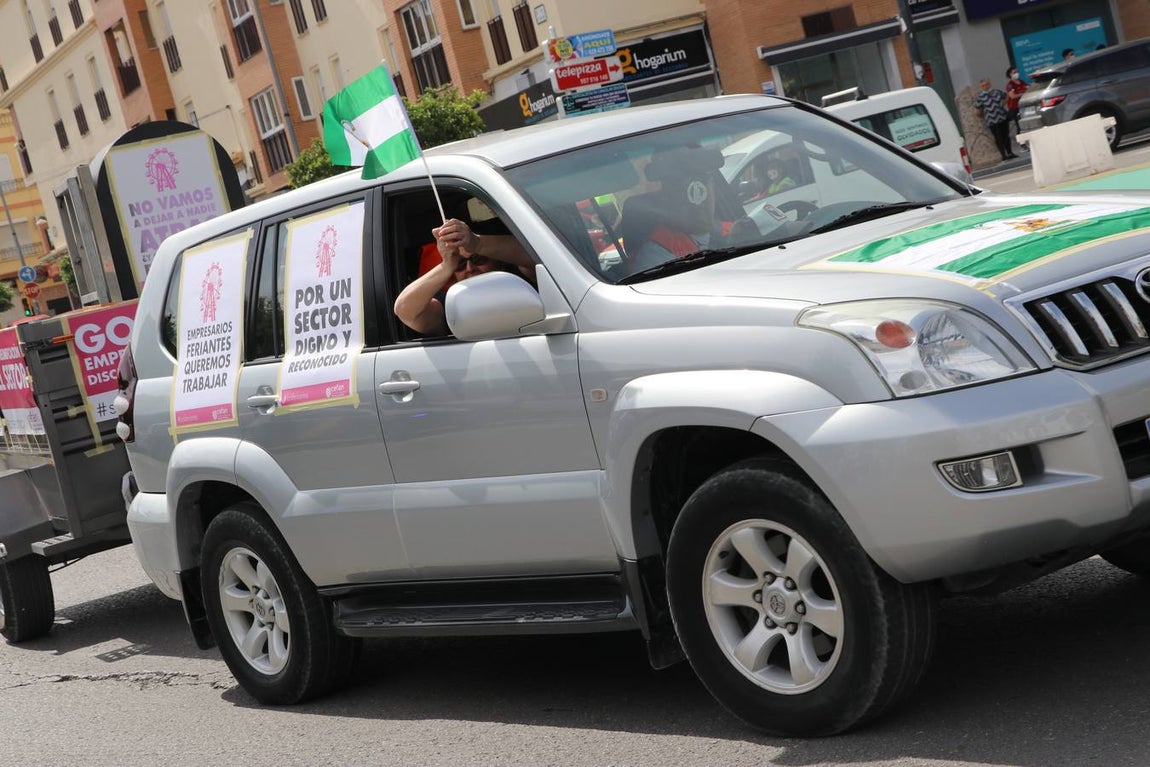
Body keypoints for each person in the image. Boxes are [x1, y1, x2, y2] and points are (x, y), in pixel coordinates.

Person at [628, 144, 758, 271]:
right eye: (683, 187)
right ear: (667, 197)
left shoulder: (735, 230)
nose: (698, 199)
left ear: (712, 188)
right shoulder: (656, 254)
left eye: (703, 184)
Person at [393, 218, 532, 336]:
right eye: (460, 264)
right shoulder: (453, 304)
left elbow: (535, 255)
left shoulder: (522, 278)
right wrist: (447, 264)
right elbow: (404, 310)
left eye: (478, 259)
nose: (470, 269)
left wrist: (477, 243)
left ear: (498, 260)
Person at [973, 78, 1015, 162]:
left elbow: (1006, 96)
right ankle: (1003, 155)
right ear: (981, 87)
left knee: (1006, 135)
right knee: (998, 138)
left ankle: (1010, 152)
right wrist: (983, 113)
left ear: (990, 84)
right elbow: (977, 110)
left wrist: (1003, 103)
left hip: (1002, 117)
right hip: (992, 121)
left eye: (987, 84)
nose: (985, 86)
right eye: (983, 85)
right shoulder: (980, 97)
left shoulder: (997, 92)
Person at [1005, 66, 1028, 134]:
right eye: (1014, 72)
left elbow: (1027, 88)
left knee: (1026, 124)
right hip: (1015, 108)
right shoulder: (1010, 85)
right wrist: (1023, 94)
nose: (1016, 73)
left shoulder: (1022, 82)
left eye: (1017, 72)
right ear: (1010, 74)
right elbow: (1012, 96)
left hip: (1023, 106)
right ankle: (1022, 142)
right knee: (1020, 126)